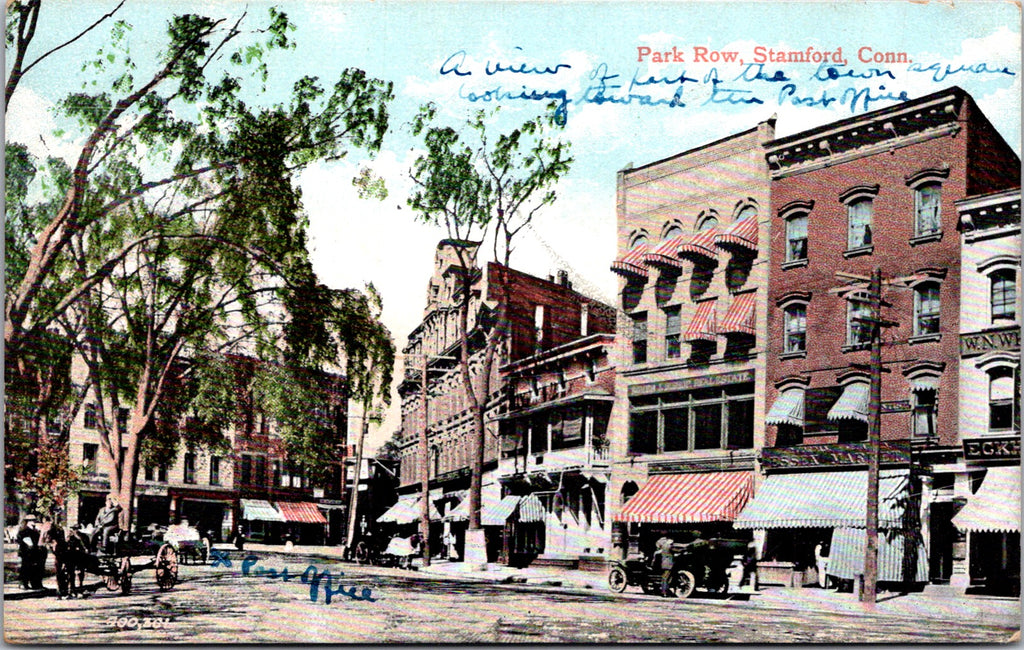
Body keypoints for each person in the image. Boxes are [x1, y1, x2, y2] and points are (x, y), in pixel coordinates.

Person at [16, 516, 40, 589]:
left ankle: (34, 584)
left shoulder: (35, 530)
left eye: (35, 521)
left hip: (33, 552)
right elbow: (21, 539)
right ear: (28, 522)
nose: (34, 522)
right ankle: (23, 583)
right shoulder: (24, 530)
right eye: (32, 521)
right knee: (25, 568)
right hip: (25, 552)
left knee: (33, 568)